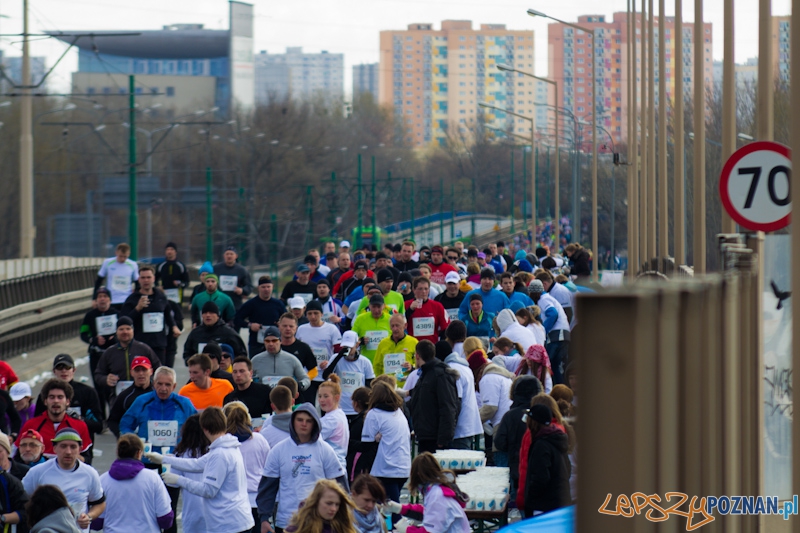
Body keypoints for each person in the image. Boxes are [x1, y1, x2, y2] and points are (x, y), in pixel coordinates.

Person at [151, 407, 255, 533]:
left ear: (205, 429)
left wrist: (179, 480)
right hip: (236, 519)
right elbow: (196, 464)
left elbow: (208, 490)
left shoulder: (220, 453)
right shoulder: (229, 446)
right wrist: (164, 459)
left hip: (228, 523)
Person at [256, 404, 347, 533]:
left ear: (315, 423)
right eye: (300, 420)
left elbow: (340, 487)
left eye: (308, 421)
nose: (304, 424)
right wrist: (264, 518)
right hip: (287, 520)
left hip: (318, 521)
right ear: (292, 421)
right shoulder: (278, 450)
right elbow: (267, 488)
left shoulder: (325, 450)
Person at [22, 427, 105, 531]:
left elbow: (100, 503)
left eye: (73, 447)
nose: (68, 451)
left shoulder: (90, 473)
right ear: (54, 448)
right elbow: (22, 500)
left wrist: (89, 516)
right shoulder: (37, 472)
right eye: (63, 446)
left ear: (80, 449)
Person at [92, 433, 173, 533]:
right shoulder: (152, 478)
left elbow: (96, 523)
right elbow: (165, 520)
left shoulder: (103, 480)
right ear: (139, 453)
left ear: (117, 452)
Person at [361, 381, 410, 525]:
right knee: (392, 508)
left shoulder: (374, 414)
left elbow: (366, 443)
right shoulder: (399, 412)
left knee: (387, 511)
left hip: (384, 468)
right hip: (403, 465)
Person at [383, 452, 469, 533]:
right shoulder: (436, 489)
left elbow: (430, 531)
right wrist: (399, 508)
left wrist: (407, 529)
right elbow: (428, 512)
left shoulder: (437, 495)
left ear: (418, 475)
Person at [119, 366, 197, 448]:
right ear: (154, 384)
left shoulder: (184, 403)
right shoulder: (142, 401)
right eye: (160, 384)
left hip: (174, 458)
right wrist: (134, 444)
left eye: (167, 385)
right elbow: (125, 425)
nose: (163, 389)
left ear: (174, 386)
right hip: (147, 457)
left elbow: (197, 428)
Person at [223, 402, 271, 529]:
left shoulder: (223, 444)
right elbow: (268, 468)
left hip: (232, 502)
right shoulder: (259, 439)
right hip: (257, 500)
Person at [494, 375, 543, 498]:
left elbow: (500, 442)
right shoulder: (544, 413)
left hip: (517, 469)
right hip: (542, 468)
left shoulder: (510, 416)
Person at [406, 340, 459, 454]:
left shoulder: (440, 374)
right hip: (425, 435)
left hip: (434, 438)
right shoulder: (426, 374)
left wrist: (443, 439)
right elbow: (420, 401)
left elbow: (448, 407)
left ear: (417, 355)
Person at [16, 379, 92, 459]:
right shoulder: (31, 425)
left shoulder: (80, 425)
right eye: (52, 397)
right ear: (45, 401)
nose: (56, 401)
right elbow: (18, 458)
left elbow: (87, 459)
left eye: (60, 397)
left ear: (67, 401)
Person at [121, 265, 180, 364]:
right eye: (143, 278)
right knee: (141, 375)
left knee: (158, 374)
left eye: (148, 277)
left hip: (159, 343)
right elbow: (124, 320)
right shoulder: (133, 299)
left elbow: (167, 314)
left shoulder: (160, 296)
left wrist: (174, 326)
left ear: (154, 279)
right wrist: (137, 308)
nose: (146, 280)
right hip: (140, 344)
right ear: (139, 280)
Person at [94, 317, 160, 406]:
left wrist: (148, 381)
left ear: (133, 330)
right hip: (118, 400)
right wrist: (106, 379)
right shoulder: (109, 352)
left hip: (143, 398)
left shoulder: (144, 349)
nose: (125, 332)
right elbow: (98, 374)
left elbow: (159, 370)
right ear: (116, 332)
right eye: (121, 329)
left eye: (128, 329)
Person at [466, 344, 514, 465]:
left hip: (502, 426)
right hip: (509, 423)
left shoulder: (488, 378)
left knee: (501, 465)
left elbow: (490, 408)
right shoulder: (500, 376)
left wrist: (472, 422)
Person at [522, 404, 571, 517]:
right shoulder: (557, 439)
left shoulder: (542, 445)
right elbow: (567, 469)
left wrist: (531, 498)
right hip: (560, 503)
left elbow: (540, 477)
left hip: (544, 507)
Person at [436, 341, 482, 450]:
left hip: (459, 429)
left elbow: (456, 401)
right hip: (470, 424)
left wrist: (447, 430)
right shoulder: (465, 367)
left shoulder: (450, 370)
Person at [168, 414, 209, 533]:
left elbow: (173, 484)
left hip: (192, 513)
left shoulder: (181, 455)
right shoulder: (214, 452)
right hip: (214, 511)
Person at [297, 301, 343, 403]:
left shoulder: (331, 329)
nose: (313, 316)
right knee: (308, 405)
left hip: (325, 375)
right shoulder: (301, 329)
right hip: (308, 375)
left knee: (327, 405)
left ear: (322, 314)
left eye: (316, 313)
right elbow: (298, 351)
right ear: (306, 314)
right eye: (310, 313)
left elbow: (339, 351)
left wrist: (329, 363)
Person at [323, 332, 376, 418]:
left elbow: (370, 384)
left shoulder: (365, 362)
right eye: (345, 347)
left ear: (357, 345)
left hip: (357, 409)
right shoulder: (336, 358)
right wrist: (339, 356)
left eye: (350, 347)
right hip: (340, 408)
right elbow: (325, 376)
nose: (348, 350)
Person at [528, 280, 570, 384]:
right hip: (563, 333)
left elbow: (553, 314)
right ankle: (560, 389)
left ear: (534, 293)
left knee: (548, 364)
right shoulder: (548, 298)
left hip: (557, 334)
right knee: (556, 366)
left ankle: (556, 387)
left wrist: (543, 330)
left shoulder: (543, 299)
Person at [235, 275, 287, 356]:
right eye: (263, 287)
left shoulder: (278, 304)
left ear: (272, 287)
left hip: (274, 344)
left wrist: (280, 324)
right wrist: (250, 325)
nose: (266, 289)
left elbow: (287, 320)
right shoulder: (251, 304)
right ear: (258, 288)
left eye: (268, 287)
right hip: (256, 344)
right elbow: (237, 319)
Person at [183, 301, 248, 365]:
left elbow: (242, 354)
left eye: (211, 313)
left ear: (218, 315)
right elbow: (187, 353)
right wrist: (193, 363)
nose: (208, 315)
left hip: (223, 373)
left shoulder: (229, 333)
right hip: (201, 372)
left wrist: (229, 363)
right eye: (205, 313)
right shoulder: (195, 333)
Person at [285, 479, 358, 533]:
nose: (334, 509)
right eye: (329, 503)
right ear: (316, 502)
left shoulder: (343, 529)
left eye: (337, 504)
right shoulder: (297, 529)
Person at [250, 326, 311, 391]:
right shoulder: (255, 360)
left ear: (280, 341)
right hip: (263, 398)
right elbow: (247, 378)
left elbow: (305, 379)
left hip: (285, 398)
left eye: (274, 340)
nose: (270, 344)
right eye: (267, 341)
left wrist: (300, 385)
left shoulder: (292, 360)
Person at [80, 286, 119, 384]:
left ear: (109, 299)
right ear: (96, 300)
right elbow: (83, 334)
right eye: (100, 297)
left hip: (113, 354)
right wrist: (93, 340)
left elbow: (125, 332)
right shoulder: (90, 316)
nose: (102, 299)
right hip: (97, 354)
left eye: (105, 296)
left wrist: (115, 338)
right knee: (98, 382)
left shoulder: (117, 314)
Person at [107, 356, 154, 437]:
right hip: (132, 442)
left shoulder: (158, 394)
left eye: (144, 369)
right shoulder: (125, 396)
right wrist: (121, 435)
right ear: (131, 372)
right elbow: (112, 421)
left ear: (151, 371)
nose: (141, 373)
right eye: (137, 370)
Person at [277, 313, 318, 401]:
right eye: (285, 326)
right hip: (277, 391)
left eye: (291, 326)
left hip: (298, 392)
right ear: (279, 327)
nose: (288, 329)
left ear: (296, 328)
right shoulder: (272, 347)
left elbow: (314, 370)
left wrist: (302, 382)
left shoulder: (303, 347)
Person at [317, 375, 350, 472]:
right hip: (337, 467)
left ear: (337, 397)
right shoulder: (339, 414)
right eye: (319, 396)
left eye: (326, 396)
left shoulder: (332, 419)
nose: (322, 400)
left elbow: (309, 439)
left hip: (332, 469)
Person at [373, 314, 417, 384]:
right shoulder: (383, 343)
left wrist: (412, 367)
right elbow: (377, 365)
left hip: (406, 387)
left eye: (397, 325)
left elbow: (420, 364)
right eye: (392, 326)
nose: (394, 329)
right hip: (387, 387)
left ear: (405, 326)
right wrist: (379, 382)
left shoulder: (414, 342)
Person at [405, 277, 448, 345]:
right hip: (413, 345)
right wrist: (409, 310)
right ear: (414, 290)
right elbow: (401, 325)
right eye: (420, 289)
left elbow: (445, 328)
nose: (424, 291)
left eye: (426, 289)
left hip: (432, 346)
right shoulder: (406, 305)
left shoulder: (437, 306)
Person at [350, 294, 392, 363]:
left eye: (379, 307)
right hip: (366, 361)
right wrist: (360, 340)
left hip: (386, 361)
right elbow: (352, 339)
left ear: (384, 306)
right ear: (369, 306)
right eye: (373, 307)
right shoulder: (360, 319)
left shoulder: (390, 319)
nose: (376, 310)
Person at [94, 242, 138, 308]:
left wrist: (135, 299)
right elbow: (99, 281)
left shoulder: (133, 265)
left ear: (128, 254)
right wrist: (94, 299)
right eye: (120, 256)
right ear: (116, 253)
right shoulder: (107, 263)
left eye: (125, 257)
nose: (123, 259)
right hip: (111, 300)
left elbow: (137, 283)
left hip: (127, 300)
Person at [345, 387, 373, 483]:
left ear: (356, 403)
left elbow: (357, 441)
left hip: (357, 459)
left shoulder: (359, 421)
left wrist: (346, 442)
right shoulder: (370, 417)